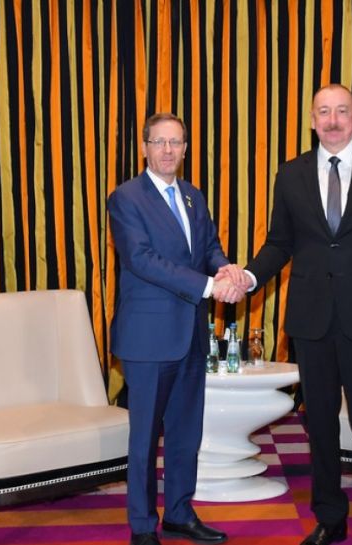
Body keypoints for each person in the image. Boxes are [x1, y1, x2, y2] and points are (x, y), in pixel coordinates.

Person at [239, 84, 352, 545]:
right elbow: (280, 243)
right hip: (312, 321)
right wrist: (247, 277)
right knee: (320, 425)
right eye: (324, 111)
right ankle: (330, 517)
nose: (333, 119)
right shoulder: (290, 174)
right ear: (312, 120)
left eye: (342, 110)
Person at [107, 113, 243, 545]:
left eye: (176, 142)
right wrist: (209, 286)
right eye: (159, 142)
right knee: (145, 440)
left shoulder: (192, 196)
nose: (168, 150)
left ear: (185, 149)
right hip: (148, 339)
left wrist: (226, 269)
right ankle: (143, 525)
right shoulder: (126, 198)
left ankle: (180, 513)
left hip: (191, 336)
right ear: (144, 147)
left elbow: (209, 248)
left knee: (186, 434)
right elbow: (142, 260)